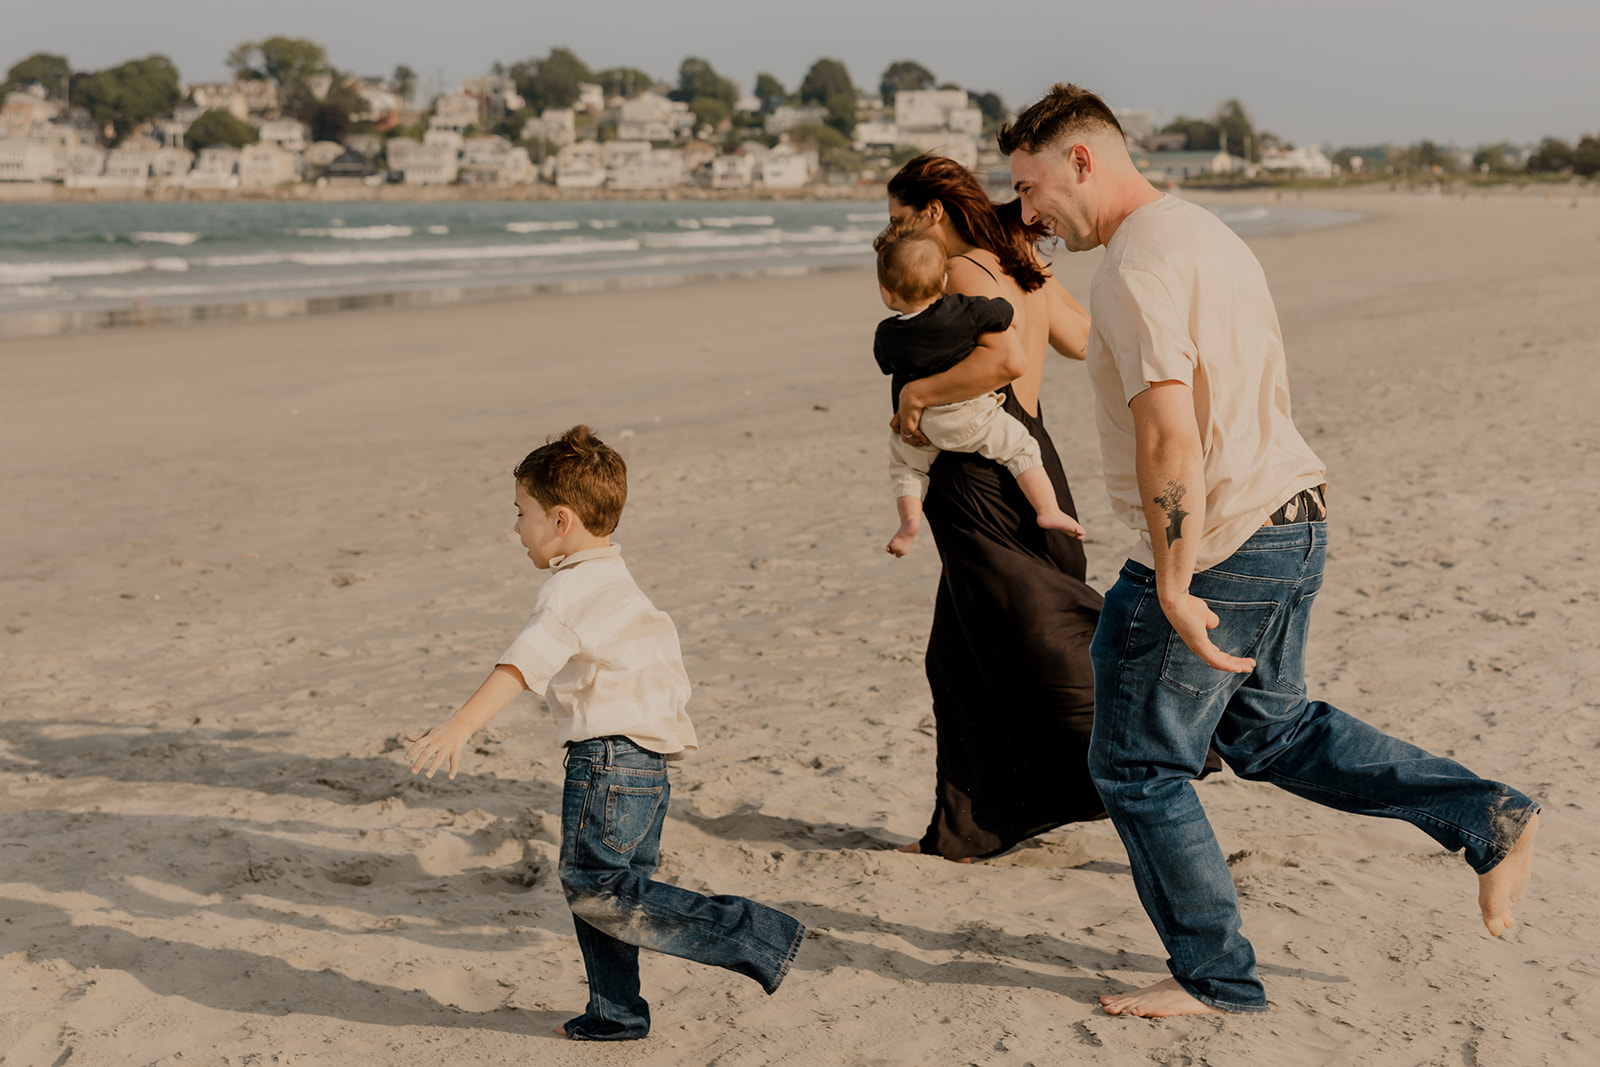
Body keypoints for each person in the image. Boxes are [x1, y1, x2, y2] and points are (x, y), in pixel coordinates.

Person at [1002, 84, 1540, 1017]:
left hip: (1219, 540)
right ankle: (1485, 814)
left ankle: (1216, 980)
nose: (1027, 209)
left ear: (1081, 160)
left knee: (1136, 764)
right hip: (1291, 515)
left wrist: (1173, 580)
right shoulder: (1203, 232)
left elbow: (1169, 435)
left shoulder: (1133, 267)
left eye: (1031, 184)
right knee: (1268, 731)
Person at [404, 426, 804, 1041]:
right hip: (646, 762)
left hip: (608, 763)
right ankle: (616, 1013)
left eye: (521, 514)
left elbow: (522, 665)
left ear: (561, 519)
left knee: (595, 888)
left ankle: (754, 933)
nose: (516, 528)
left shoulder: (569, 590)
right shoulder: (615, 577)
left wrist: (461, 725)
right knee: (615, 892)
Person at [884, 153, 1110, 860]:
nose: (890, 236)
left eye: (897, 220)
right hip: (1027, 460)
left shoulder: (962, 274)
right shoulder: (1016, 266)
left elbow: (1006, 362)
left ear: (931, 214)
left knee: (1045, 646)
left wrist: (917, 395)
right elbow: (1083, 340)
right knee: (956, 660)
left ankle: (1169, 738)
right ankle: (970, 830)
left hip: (982, 483)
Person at [873, 223, 1085, 557]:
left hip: (921, 427)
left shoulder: (885, 334)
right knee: (1021, 449)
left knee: (907, 470)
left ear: (887, 293)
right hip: (971, 416)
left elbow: (887, 365)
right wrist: (1005, 318)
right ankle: (1048, 509)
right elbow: (1002, 310)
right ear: (943, 281)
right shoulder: (961, 310)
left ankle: (909, 521)